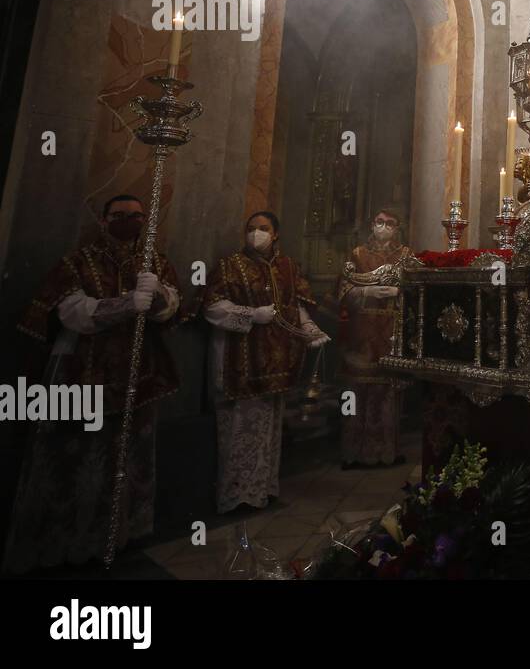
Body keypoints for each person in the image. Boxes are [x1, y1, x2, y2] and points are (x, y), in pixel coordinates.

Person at [4, 194, 181, 572]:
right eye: (120, 215)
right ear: (103, 220)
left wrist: (160, 296)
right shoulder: (78, 261)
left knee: (128, 453)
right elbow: (72, 312)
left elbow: (172, 310)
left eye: (137, 216)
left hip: (137, 374)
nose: (129, 221)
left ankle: (120, 532)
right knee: (80, 457)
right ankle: (71, 537)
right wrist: (126, 303)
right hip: (83, 370)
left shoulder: (154, 263)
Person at [203, 211, 327, 513]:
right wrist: (250, 315)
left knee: (269, 428)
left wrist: (309, 329)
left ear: (276, 235)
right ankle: (237, 495)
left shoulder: (287, 266)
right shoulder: (229, 265)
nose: (256, 233)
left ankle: (263, 489)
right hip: (240, 360)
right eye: (250, 228)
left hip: (275, 364)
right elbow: (212, 307)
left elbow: (294, 306)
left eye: (263, 228)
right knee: (239, 429)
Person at [336, 208, 412, 468]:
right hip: (362, 331)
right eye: (379, 222)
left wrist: (398, 292)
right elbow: (343, 289)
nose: (384, 227)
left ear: (397, 226)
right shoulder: (358, 254)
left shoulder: (405, 255)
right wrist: (366, 292)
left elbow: (414, 292)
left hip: (391, 328)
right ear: (372, 224)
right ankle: (352, 451)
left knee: (387, 393)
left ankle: (385, 451)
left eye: (390, 223)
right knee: (356, 393)